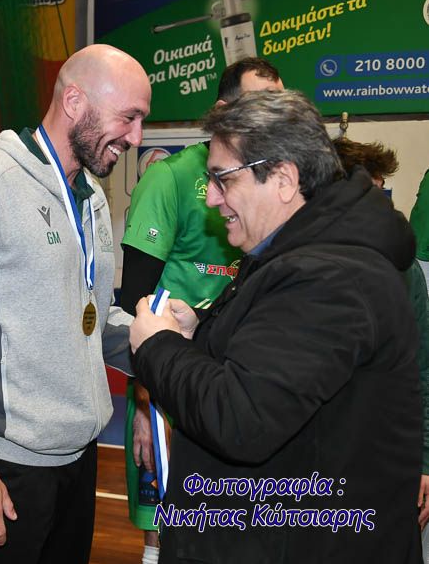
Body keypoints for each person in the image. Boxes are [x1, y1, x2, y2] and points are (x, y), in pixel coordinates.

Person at [129, 89, 421, 562]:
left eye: (223, 179)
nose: (213, 199)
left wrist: (159, 347)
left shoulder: (328, 277)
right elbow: (273, 369)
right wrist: (197, 334)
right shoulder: (301, 255)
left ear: (283, 179)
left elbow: (241, 418)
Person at [0, 43, 150, 563]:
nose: (136, 137)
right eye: (128, 118)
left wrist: (162, 342)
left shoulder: (90, 195)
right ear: (75, 102)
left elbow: (90, 317)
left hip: (76, 460)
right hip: (2, 468)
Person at [119, 57, 283, 564]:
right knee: (162, 524)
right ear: (222, 110)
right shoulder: (170, 179)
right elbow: (133, 304)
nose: (270, 118)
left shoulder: (274, 185)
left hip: (235, 383)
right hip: (166, 381)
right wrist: (145, 407)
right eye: (258, 104)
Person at [332, 136, 429, 557]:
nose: (379, 206)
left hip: (386, 461)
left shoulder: (403, 268)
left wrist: (424, 461)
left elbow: (422, 369)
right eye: (367, 193)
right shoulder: (295, 264)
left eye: (381, 192)